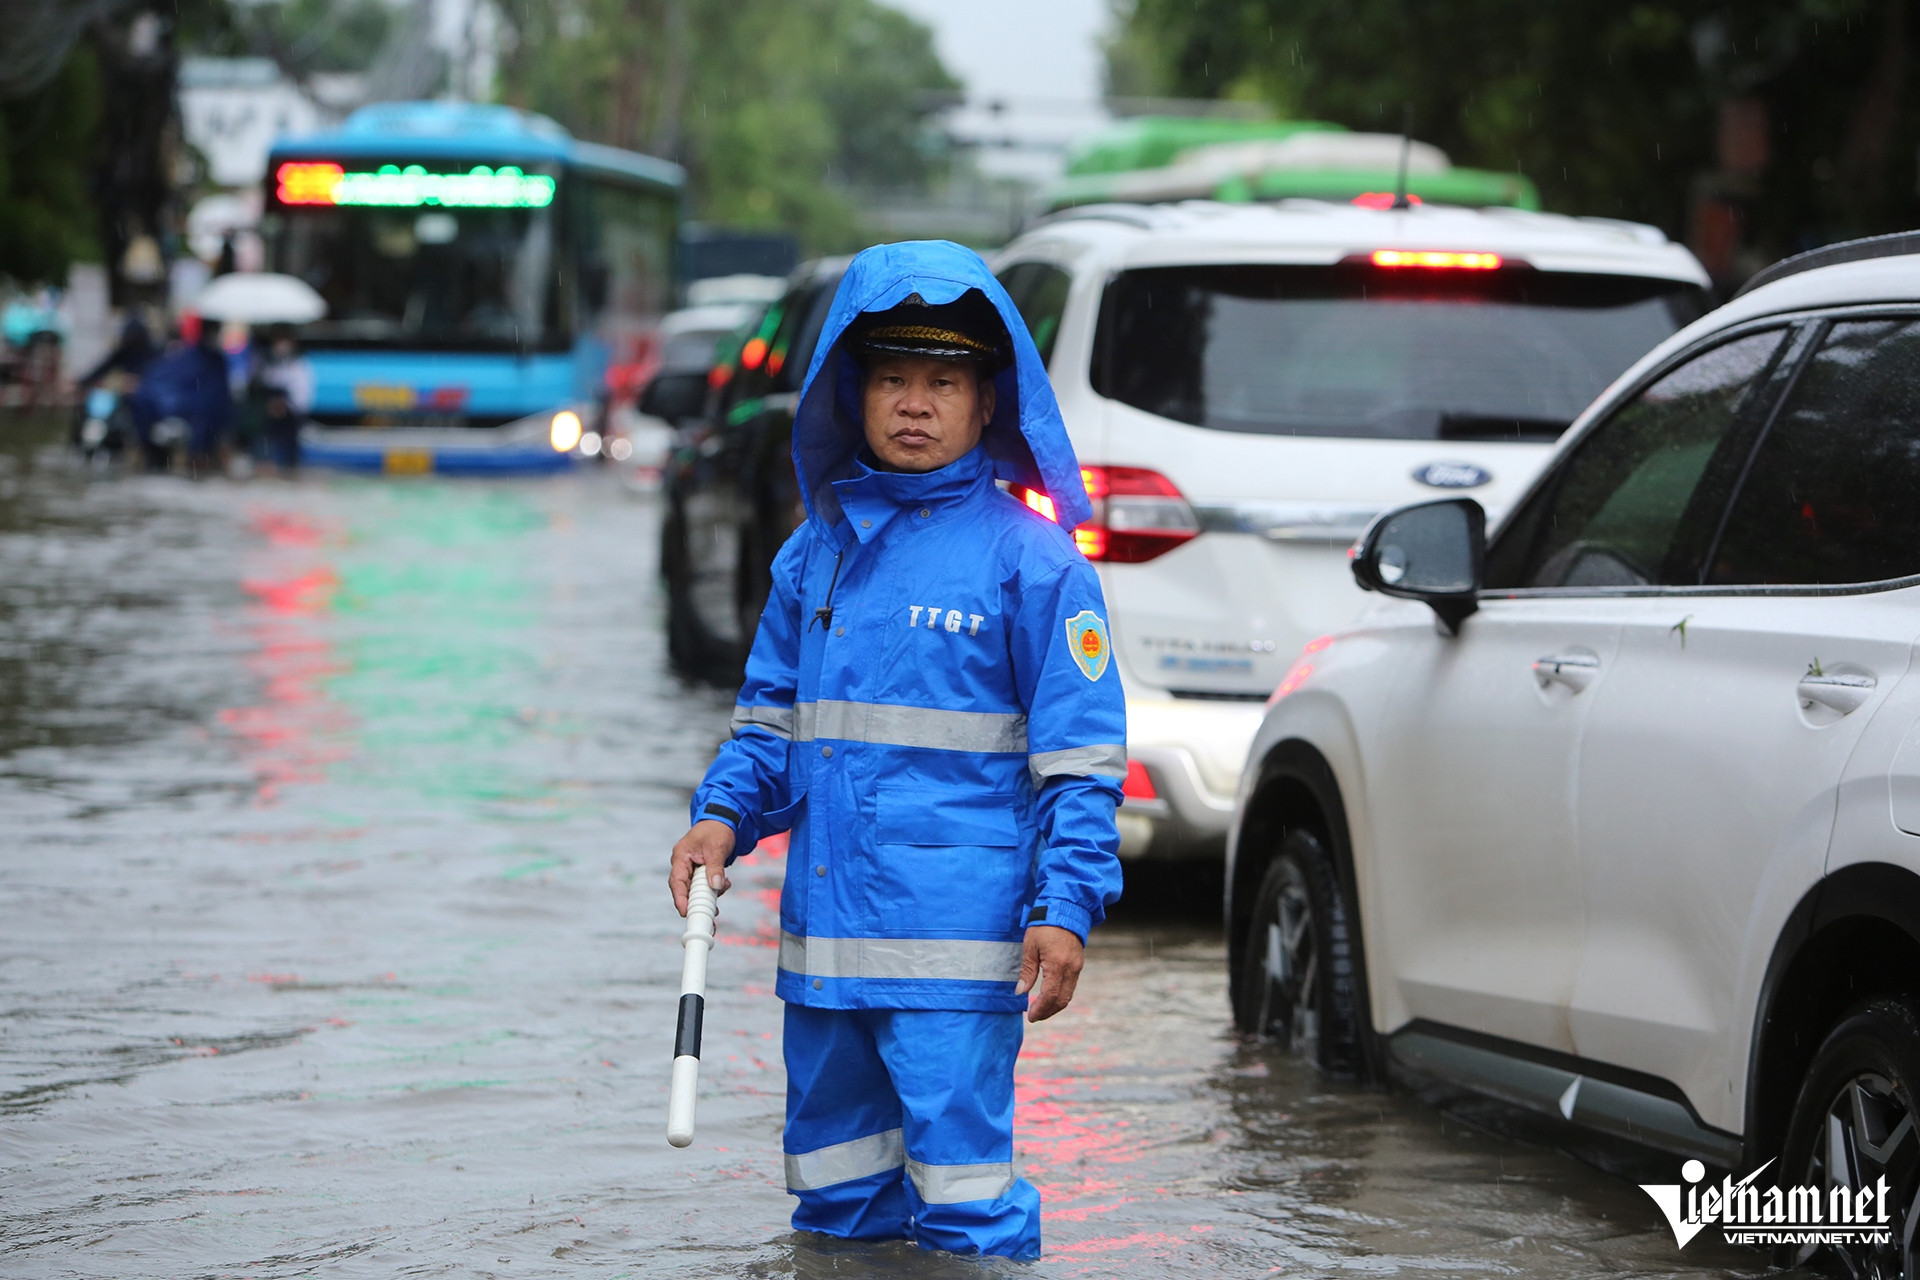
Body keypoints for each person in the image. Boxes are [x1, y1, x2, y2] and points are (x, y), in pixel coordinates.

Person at [666, 241, 1125, 1261]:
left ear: (986, 402)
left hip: (955, 963)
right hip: (824, 957)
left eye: (942, 382)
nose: (914, 404)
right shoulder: (812, 549)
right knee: (833, 1210)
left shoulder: (1035, 563)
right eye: (891, 379)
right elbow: (770, 724)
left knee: (966, 1210)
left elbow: (1082, 766)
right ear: (852, 391)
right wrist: (719, 818)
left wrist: (1065, 909)